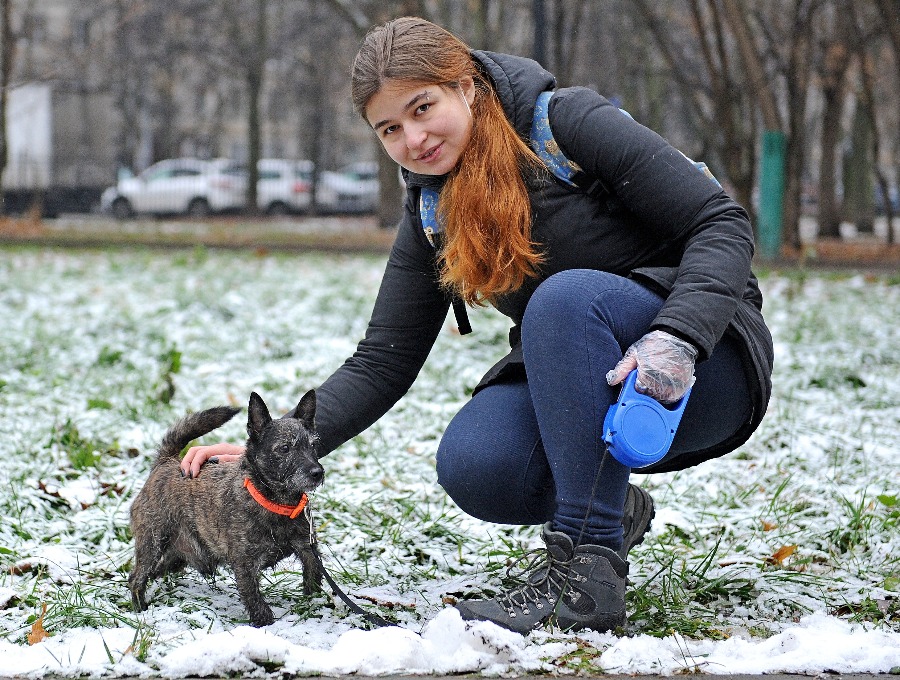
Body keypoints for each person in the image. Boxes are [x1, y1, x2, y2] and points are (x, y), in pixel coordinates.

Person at [181, 16, 774, 635]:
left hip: (707, 364)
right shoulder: (432, 207)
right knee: (478, 464)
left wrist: (676, 338)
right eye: (389, 128)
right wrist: (272, 446)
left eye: (422, 107)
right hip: (587, 380)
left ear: (465, 84)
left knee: (562, 300)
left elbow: (721, 222)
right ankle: (607, 504)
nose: (413, 138)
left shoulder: (565, 125)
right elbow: (384, 358)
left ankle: (588, 577)